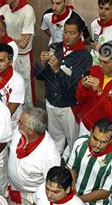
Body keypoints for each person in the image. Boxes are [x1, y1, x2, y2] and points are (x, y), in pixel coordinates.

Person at [35, 17, 92, 157]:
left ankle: (72, 164)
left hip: (69, 106)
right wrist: (41, 64)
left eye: (72, 33)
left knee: (74, 139)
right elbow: (39, 77)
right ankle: (55, 159)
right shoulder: (54, 47)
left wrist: (57, 70)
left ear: (80, 35)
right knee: (55, 137)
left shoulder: (84, 57)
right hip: (51, 102)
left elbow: (75, 87)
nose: (67, 36)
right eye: (65, 32)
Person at [7, 107, 60, 205]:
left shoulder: (49, 154)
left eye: (20, 122)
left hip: (31, 194)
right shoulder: (20, 133)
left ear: (30, 131)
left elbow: (52, 182)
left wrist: (38, 201)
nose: (17, 124)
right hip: (15, 187)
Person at [75, 41, 112, 152]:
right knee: (82, 158)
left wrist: (99, 92)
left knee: (107, 165)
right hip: (87, 126)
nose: (100, 65)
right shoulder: (93, 71)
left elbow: (111, 111)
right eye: (100, 60)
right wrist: (84, 88)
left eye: (105, 62)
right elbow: (79, 99)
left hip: (108, 134)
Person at [0, 0, 36, 107]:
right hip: (7, 56)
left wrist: (4, 37)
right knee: (9, 89)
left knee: (27, 92)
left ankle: (31, 119)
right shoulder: (3, 9)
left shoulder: (28, 10)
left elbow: (23, 44)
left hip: (23, 57)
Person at [0, 43, 24, 131]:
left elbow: (8, 112)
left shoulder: (18, 81)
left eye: (2, 61)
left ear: (10, 62)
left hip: (12, 125)